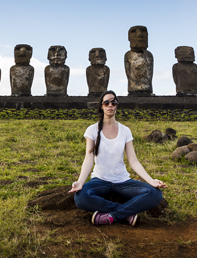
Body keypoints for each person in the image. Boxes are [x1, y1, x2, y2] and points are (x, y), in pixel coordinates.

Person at [70, 90, 166, 226]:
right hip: (100, 180)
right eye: (106, 102)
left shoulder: (125, 130)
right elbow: (88, 159)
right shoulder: (92, 130)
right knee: (80, 198)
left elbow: (133, 161)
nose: (110, 105)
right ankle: (126, 213)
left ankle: (113, 215)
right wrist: (80, 182)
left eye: (113, 102)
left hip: (123, 181)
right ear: (101, 106)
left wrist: (151, 181)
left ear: (117, 105)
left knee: (155, 194)